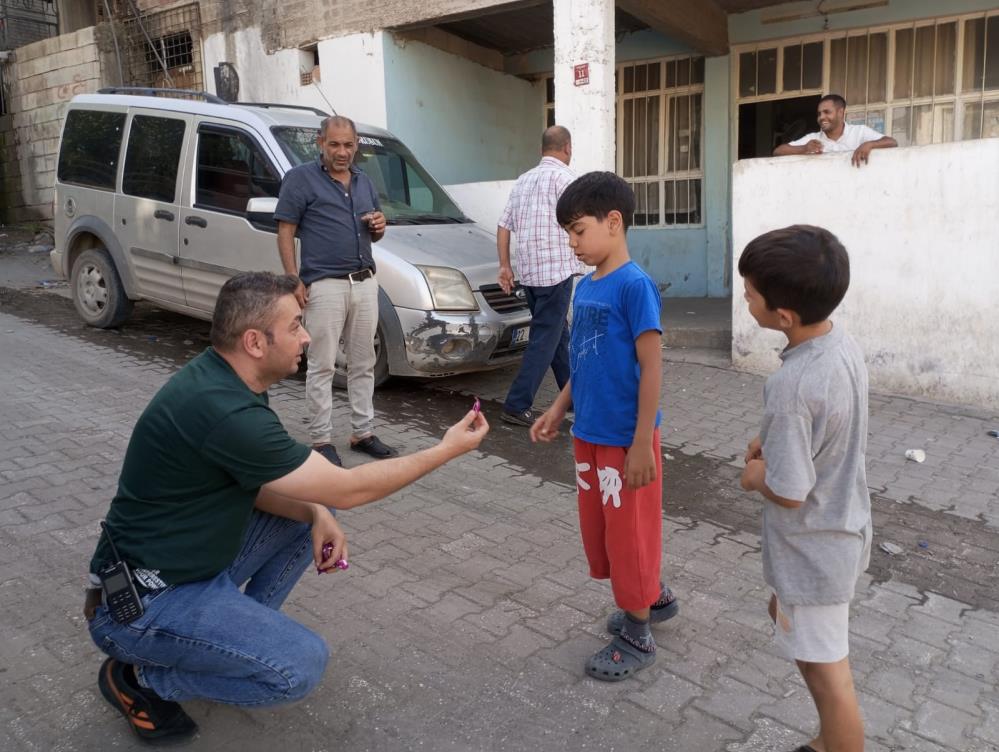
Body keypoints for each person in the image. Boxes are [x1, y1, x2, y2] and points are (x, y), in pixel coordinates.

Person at [84, 272, 489, 745]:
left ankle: (224, 645)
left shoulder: (229, 379)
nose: (308, 336)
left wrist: (316, 514)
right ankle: (142, 680)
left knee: (307, 511)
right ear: (255, 341)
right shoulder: (223, 409)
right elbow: (349, 488)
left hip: (186, 570)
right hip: (140, 605)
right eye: (296, 325)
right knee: (298, 667)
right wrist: (445, 451)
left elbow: (258, 485)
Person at [530, 172, 678, 682]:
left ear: (613, 223)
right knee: (607, 529)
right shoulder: (588, 285)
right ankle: (650, 596)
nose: (572, 244)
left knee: (630, 532)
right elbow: (585, 360)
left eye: (578, 231)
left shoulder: (634, 286)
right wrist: (557, 408)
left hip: (625, 441)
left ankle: (638, 633)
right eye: (568, 234)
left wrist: (642, 443)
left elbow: (653, 367)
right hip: (589, 434)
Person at [737, 225, 871, 752]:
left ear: (783, 317)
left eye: (750, 293)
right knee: (794, 625)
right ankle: (827, 739)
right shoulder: (840, 343)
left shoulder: (790, 386)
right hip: (843, 527)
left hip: (814, 548)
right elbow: (823, 422)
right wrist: (770, 435)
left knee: (828, 676)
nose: (745, 296)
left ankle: (837, 742)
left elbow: (789, 490)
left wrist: (754, 477)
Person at [275, 114, 396, 466]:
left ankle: (363, 432)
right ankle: (321, 440)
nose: (342, 152)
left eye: (348, 145)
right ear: (320, 143)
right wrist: (293, 278)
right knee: (322, 364)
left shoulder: (363, 181)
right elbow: (285, 230)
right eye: (335, 144)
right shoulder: (300, 180)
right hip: (324, 284)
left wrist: (379, 225)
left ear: (356, 145)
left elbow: (375, 230)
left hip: (364, 281)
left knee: (363, 362)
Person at [496, 125, 582, 426]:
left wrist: (505, 266)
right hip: (556, 273)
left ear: (541, 149)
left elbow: (503, 225)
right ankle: (516, 405)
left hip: (530, 275)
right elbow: (581, 223)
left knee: (558, 334)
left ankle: (574, 397)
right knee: (545, 339)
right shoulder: (566, 179)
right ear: (568, 148)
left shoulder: (523, 181)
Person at [773, 94, 897, 167]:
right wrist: (804, 148)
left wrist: (869, 144)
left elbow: (892, 142)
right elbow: (778, 151)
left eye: (827, 112)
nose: (821, 117)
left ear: (840, 112)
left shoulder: (859, 132)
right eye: (819, 113)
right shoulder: (813, 139)